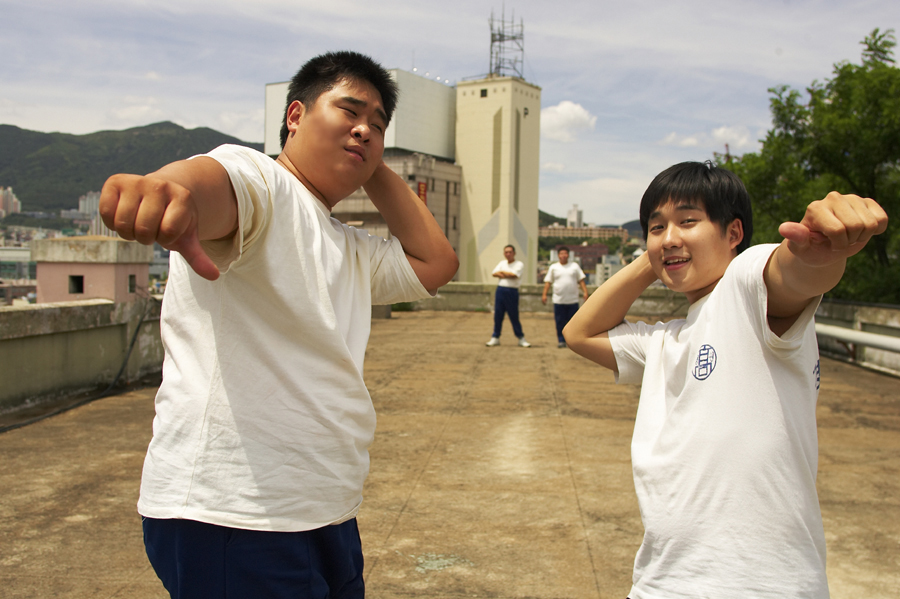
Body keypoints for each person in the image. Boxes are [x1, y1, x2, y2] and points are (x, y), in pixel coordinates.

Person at [99, 51, 458, 599]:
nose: (365, 128)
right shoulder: (262, 184)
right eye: (349, 110)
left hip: (324, 508)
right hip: (235, 513)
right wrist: (168, 190)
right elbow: (210, 185)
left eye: (379, 125)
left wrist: (366, 153)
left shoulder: (350, 246)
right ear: (295, 116)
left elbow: (438, 263)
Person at [563, 161, 887, 598]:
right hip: (660, 583)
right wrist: (659, 253)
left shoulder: (745, 290)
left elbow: (794, 273)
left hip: (763, 586)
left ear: (734, 234)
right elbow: (578, 333)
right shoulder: (665, 341)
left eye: (689, 221)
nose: (669, 235)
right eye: (655, 227)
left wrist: (821, 252)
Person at [541, 246, 589, 348]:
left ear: (568, 255)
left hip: (573, 300)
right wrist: (544, 294)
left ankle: (573, 341)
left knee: (574, 322)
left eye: (565, 253)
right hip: (559, 300)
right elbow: (548, 282)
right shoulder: (554, 267)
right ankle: (561, 340)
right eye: (561, 253)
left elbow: (581, 280)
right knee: (559, 322)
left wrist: (585, 292)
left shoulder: (574, 266)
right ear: (558, 255)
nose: (563, 255)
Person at [486, 244, 531, 347]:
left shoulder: (519, 264)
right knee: (498, 315)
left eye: (510, 252)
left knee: (513, 315)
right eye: (506, 252)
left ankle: (520, 337)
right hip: (500, 290)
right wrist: (506, 273)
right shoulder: (502, 263)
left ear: (514, 253)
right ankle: (495, 337)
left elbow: (514, 275)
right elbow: (494, 273)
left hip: (512, 292)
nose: (508, 254)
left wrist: (502, 273)